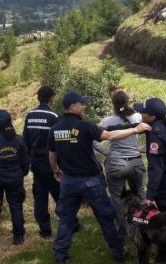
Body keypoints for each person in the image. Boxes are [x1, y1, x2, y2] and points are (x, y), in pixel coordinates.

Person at [48, 91, 151, 263]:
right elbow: (110, 136)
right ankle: (119, 252)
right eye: (81, 103)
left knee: (66, 218)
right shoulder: (85, 126)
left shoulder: (54, 129)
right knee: (105, 217)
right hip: (90, 181)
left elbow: (51, 155)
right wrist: (135, 129)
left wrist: (55, 170)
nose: (84, 106)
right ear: (73, 106)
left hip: (68, 182)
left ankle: (60, 253)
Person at [98, 89, 146, 236]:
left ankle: (123, 229)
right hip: (135, 160)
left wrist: (106, 152)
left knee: (116, 198)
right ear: (128, 102)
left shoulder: (106, 122)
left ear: (113, 104)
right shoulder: (138, 117)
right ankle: (143, 225)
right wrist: (143, 148)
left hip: (116, 163)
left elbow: (91, 138)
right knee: (140, 195)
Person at [0, 109, 30, 245]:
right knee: (16, 207)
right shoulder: (19, 140)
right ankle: (18, 237)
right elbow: (26, 163)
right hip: (15, 179)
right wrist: (20, 174)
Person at [23, 85, 61, 238]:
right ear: (51, 98)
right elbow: (58, 144)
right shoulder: (54, 117)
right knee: (61, 195)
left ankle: (45, 231)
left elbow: (26, 140)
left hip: (36, 164)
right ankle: (70, 224)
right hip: (51, 164)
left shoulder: (30, 115)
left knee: (40, 197)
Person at [133, 98, 166, 263]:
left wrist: (150, 195)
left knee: (163, 222)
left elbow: (156, 169)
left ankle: (162, 256)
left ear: (151, 116)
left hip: (163, 187)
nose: (140, 113)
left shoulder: (156, 136)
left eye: (142, 112)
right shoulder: (159, 126)